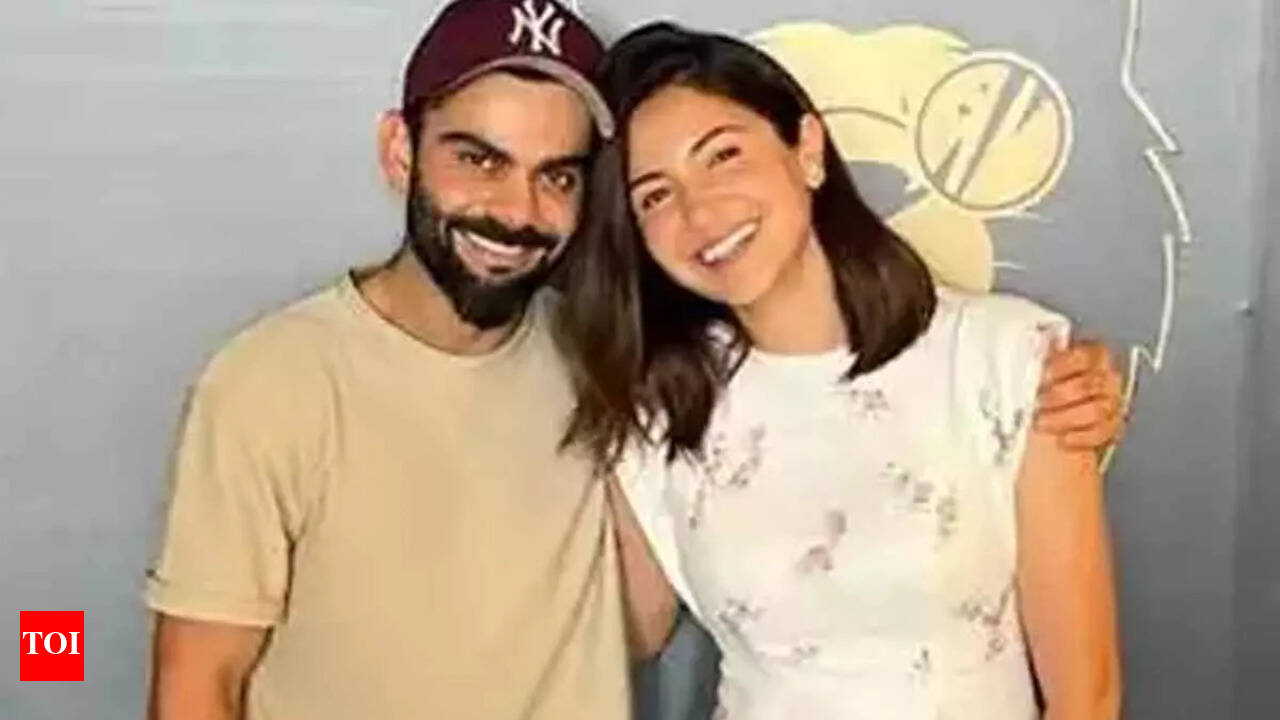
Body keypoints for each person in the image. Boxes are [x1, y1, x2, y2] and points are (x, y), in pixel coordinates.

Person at [144, 2, 1124, 719]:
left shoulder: (622, 367)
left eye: (557, 175)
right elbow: (196, 684)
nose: (515, 210)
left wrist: (1074, 393)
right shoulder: (277, 381)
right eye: (477, 158)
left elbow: (1085, 693)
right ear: (401, 152)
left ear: (807, 150)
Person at [556, 22, 1120, 720]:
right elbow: (624, 632)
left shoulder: (1004, 360)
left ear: (807, 149)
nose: (700, 212)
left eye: (723, 156)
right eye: (655, 196)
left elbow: (1086, 698)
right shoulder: (660, 411)